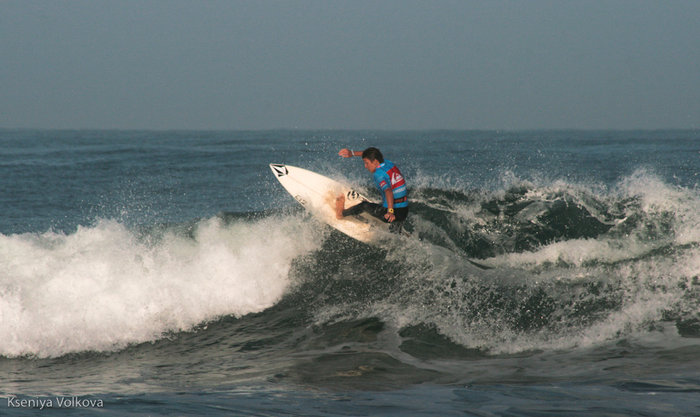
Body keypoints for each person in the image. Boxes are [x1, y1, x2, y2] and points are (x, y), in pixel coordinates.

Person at [335, 147, 408, 233]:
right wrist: (352, 153)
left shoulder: (378, 174)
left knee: (364, 206)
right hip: (404, 211)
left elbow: (388, 191)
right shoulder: (388, 163)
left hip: (393, 212)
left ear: (375, 162)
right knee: (394, 228)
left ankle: (341, 214)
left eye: (367, 163)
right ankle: (398, 230)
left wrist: (390, 212)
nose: (365, 166)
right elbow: (371, 155)